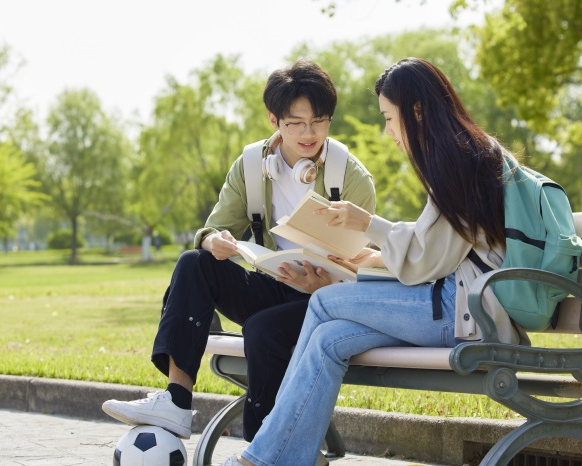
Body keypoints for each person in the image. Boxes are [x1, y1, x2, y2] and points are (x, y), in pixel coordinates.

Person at [219, 57, 530, 466]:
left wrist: (370, 224)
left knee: (325, 302)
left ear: (416, 111)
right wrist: (375, 257)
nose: (387, 130)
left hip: (468, 313)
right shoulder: (461, 152)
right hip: (454, 303)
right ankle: (288, 454)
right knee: (329, 339)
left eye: (388, 117)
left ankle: (264, 457)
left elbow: (427, 261)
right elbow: (437, 248)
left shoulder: (458, 159)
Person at [101, 59, 376, 443]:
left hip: (323, 301)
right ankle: (176, 402)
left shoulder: (351, 176)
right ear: (273, 119)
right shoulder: (250, 164)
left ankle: (264, 445)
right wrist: (213, 240)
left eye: (319, 120)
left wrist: (324, 283)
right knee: (194, 262)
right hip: (272, 284)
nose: (309, 132)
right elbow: (215, 227)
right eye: (295, 122)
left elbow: (365, 266)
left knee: (263, 330)